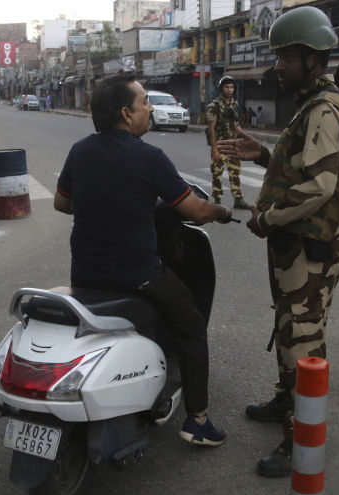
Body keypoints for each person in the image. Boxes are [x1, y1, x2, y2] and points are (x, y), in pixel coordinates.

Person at [215, 6, 339, 478]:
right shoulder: (312, 102)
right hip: (295, 246)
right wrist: (264, 153)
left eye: (286, 58)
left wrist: (268, 218)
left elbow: (318, 187)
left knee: (303, 341)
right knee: (288, 328)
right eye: (278, 57)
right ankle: (286, 402)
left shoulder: (322, 108)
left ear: (313, 58)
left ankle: (301, 439)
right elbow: (304, 165)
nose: (278, 66)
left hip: (306, 247)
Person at [54, 72, 233, 447]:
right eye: (145, 103)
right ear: (126, 113)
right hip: (137, 275)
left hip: (84, 274)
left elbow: (62, 202)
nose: (151, 109)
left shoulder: (80, 150)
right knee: (191, 325)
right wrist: (221, 211)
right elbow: (195, 212)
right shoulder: (149, 156)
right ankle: (198, 421)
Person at [207, 75, 251, 209]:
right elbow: (211, 128)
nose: (229, 89)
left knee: (235, 172)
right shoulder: (213, 105)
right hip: (220, 145)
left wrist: (242, 139)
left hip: (233, 145)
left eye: (231, 87)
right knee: (217, 173)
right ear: (222, 88)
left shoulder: (235, 104)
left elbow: (237, 124)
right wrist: (214, 149)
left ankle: (238, 199)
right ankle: (217, 200)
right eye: (226, 87)